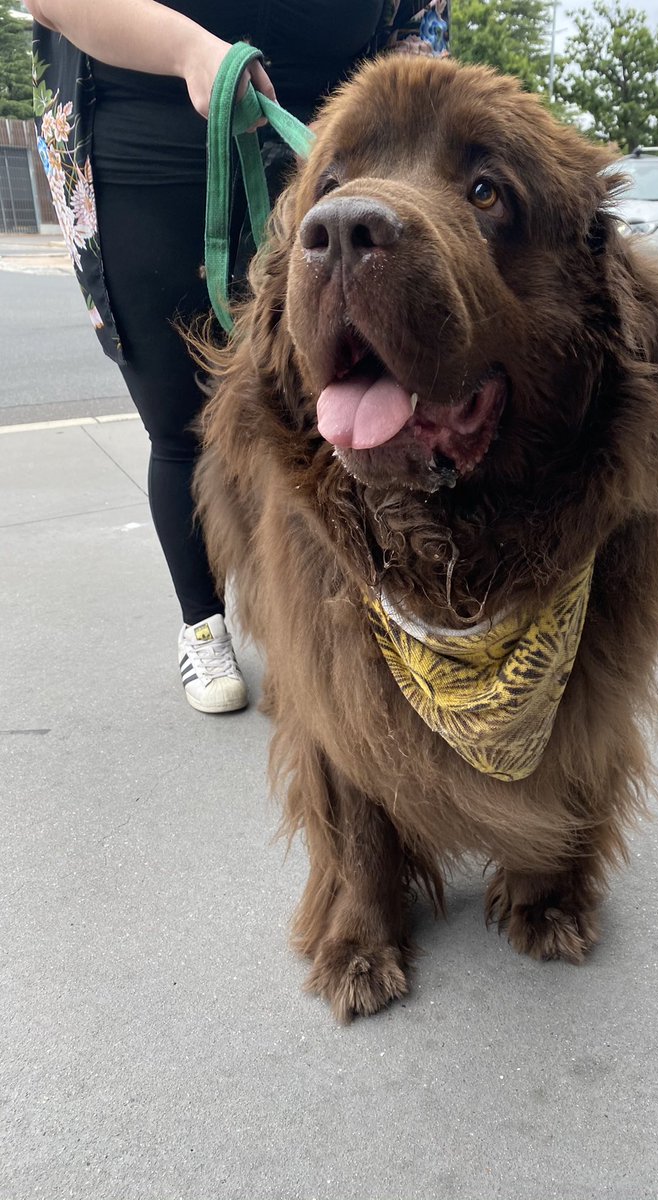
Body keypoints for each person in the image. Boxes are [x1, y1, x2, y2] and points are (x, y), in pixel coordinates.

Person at [26, 0, 449, 714]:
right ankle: (203, 622)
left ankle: (319, 625)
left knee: (326, 417)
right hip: (143, 138)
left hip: (326, 148)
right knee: (181, 426)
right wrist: (194, 51)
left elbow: (421, 24)